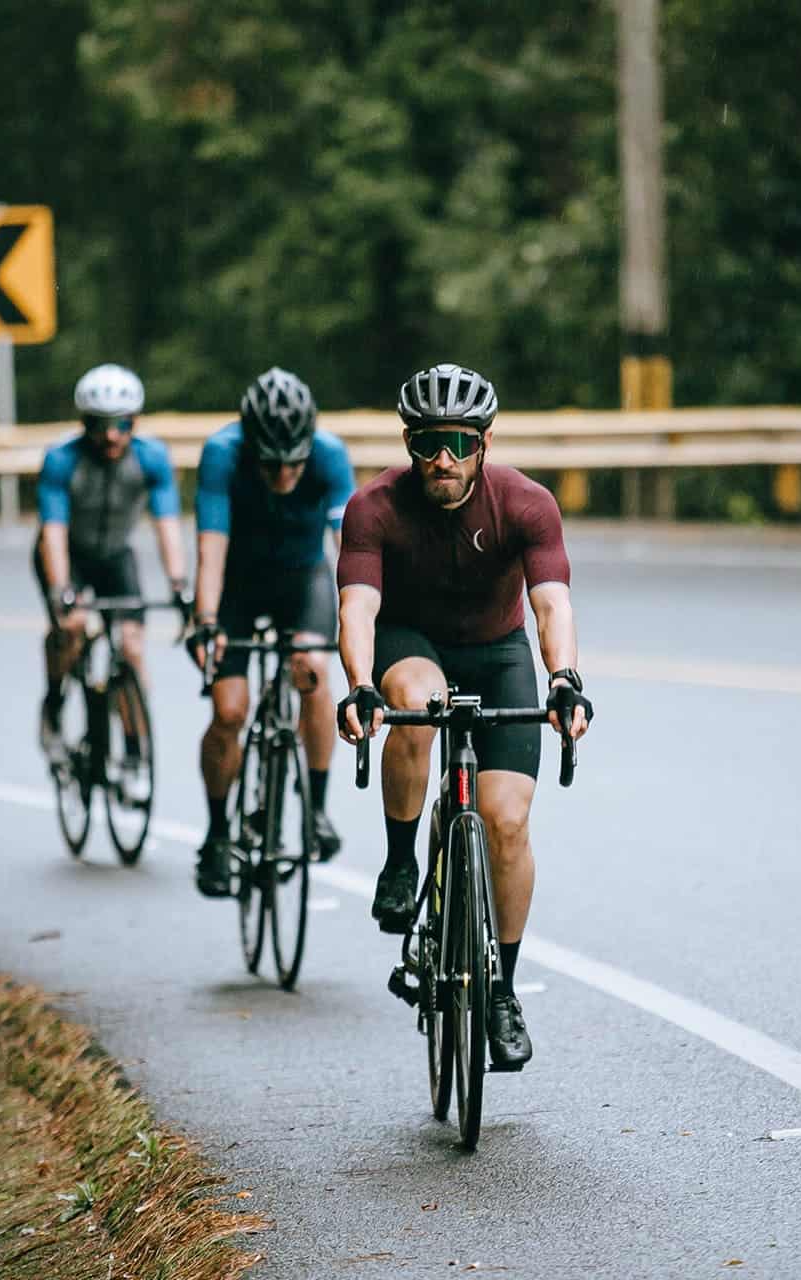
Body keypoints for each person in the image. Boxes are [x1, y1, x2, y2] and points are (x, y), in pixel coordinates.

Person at [334, 362, 593, 1072]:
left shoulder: (526, 503)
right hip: (411, 646)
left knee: (507, 821)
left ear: (483, 442)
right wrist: (360, 685)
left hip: (497, 650)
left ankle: (503, 992)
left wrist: (565, 677)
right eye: (425, 443)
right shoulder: (375, 507)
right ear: (408, 443)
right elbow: (357, 607)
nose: (440, 458)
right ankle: (397, 863)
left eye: (456, 441)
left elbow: (551, 603)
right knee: (416, 702)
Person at [188, 367, 356, 897]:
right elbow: (210, 549)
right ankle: (217, 835)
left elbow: (349, 552)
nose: (284, 474)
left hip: (301, 578)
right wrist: (207, 621)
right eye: (271, 463)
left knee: (312, 669)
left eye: (293, 462)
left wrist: (363, 622)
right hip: (238, 581)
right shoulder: (222, 454)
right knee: (229, 710)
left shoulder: (329, 456)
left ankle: (318, 811)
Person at [34, 363, 190, 796]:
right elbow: (53, 531)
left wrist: (180, 583)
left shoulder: (152, 458)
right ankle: (54, 700)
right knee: (72, 626)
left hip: (116, 556)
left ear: (134, 422)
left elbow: (167, 524)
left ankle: (136, 753)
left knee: (133, 647)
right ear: (84, 424)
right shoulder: (61, 460)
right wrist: (62, 590)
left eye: (122, 424)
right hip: (70, 555)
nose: (112, 436)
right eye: (100, 425)